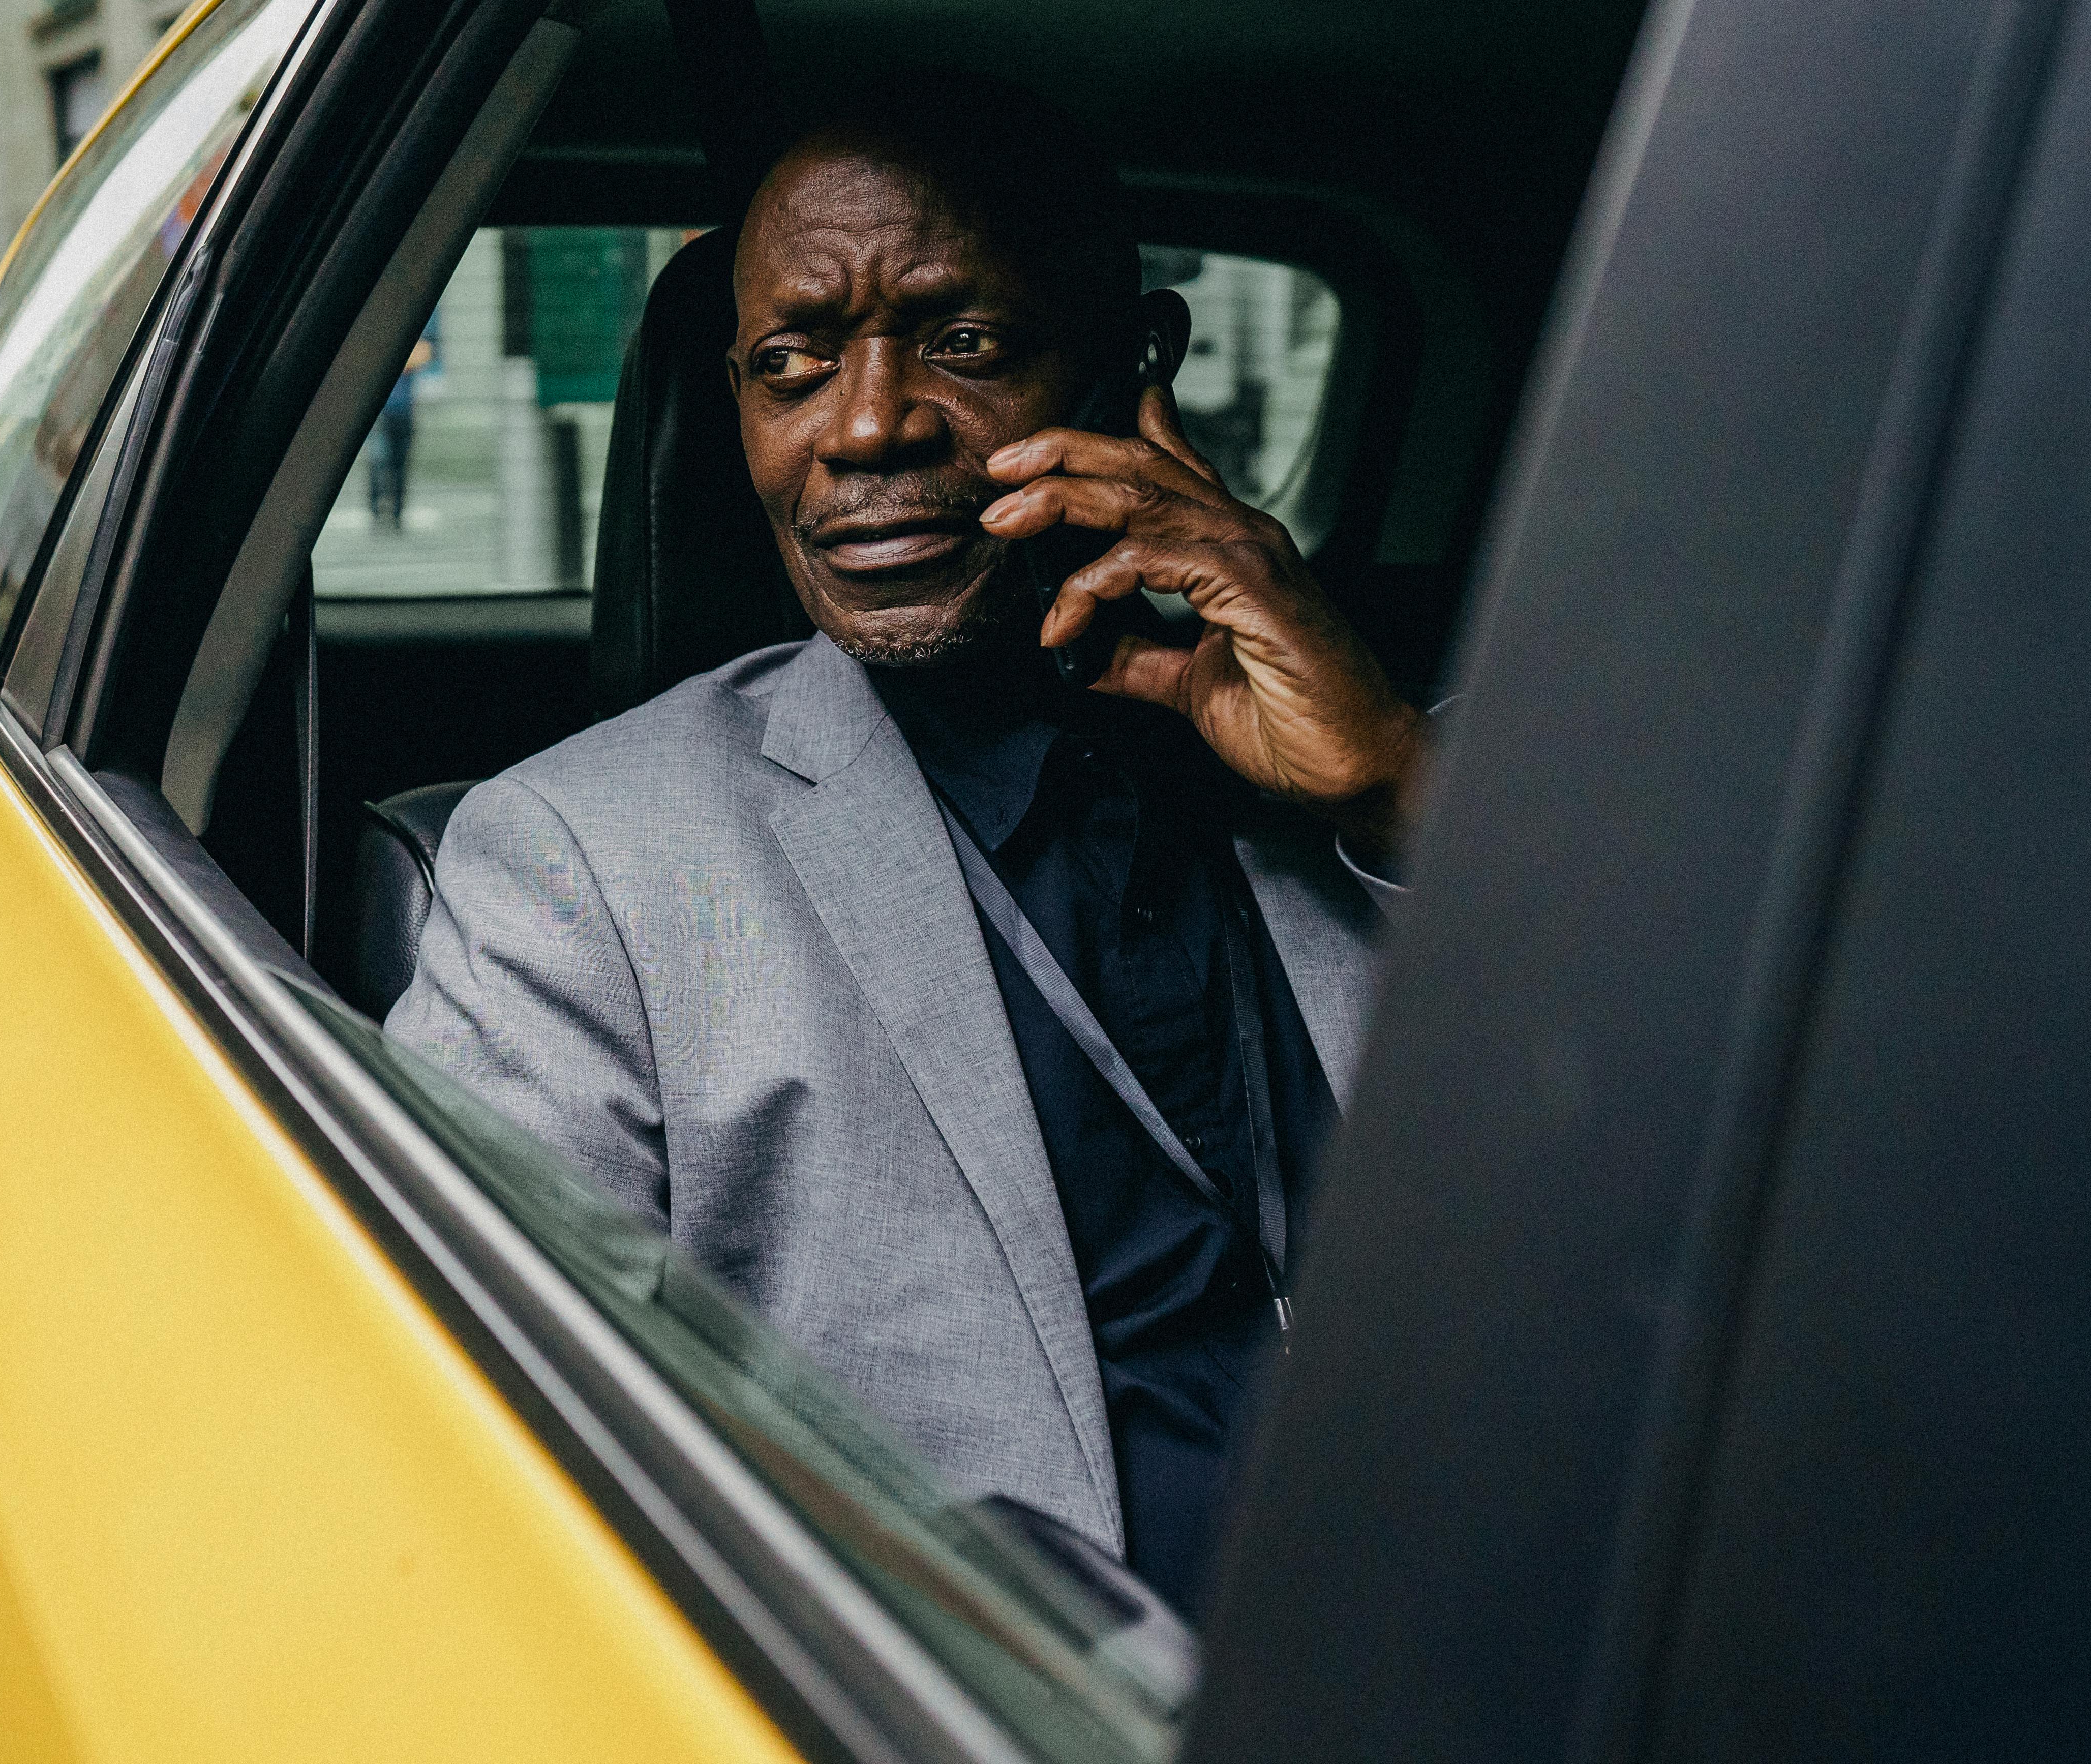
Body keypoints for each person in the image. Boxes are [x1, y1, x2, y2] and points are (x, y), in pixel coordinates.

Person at [388, 80, 1424, 1622]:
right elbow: (466, 1434)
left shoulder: (1423, 751)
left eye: (964, 343)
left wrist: (1389, 790)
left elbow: (1743, 1162)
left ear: (1136, 366)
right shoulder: (577, 865)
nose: (864, 426)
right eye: (788, 366)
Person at [370, 327, 431, 528]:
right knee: (380, 461)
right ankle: (379, 509)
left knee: (397, 462)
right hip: (386, 412)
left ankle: (395, 511)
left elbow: (424, 354)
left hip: (402, 411)